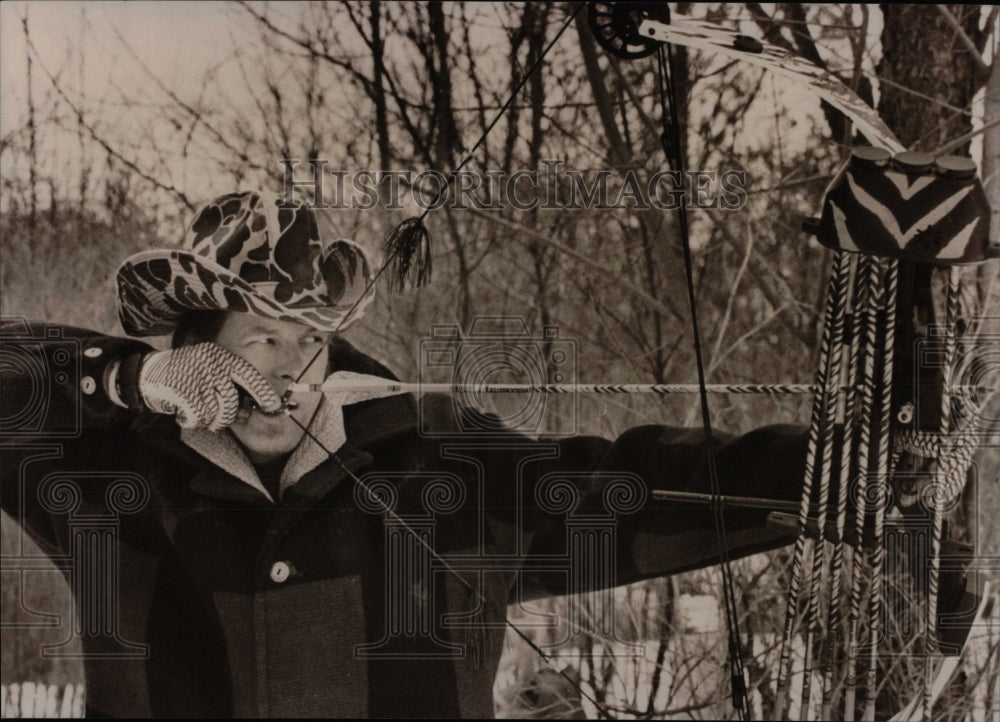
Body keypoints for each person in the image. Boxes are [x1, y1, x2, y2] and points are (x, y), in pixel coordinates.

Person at [1, 191, 812, 718]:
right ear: (197, 352)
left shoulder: (436, 470)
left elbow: (635, 489)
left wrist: (832, 472)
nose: (287, 366)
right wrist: (124, 377)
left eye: (308, 341)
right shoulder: (109, 479)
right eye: (260, 338)